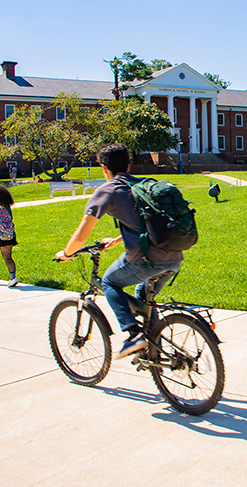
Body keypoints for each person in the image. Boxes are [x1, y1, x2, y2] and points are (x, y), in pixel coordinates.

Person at [56, 144, 183, 360]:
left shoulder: (108, 190)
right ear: (128, 164)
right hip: (174, 257)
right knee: (144, 301)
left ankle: (133, 335)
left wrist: (66, 253)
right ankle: (154, 353)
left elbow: (80, 237)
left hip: (144, 260)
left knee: (109, 283)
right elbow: (147, 224)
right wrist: (115, 241)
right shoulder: (143, 185)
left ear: (104, 168)